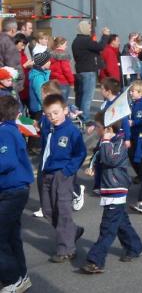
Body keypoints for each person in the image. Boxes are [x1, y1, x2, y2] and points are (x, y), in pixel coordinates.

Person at [80, 112, 142, 274]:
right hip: (108, 187)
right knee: (121, 222)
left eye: (98, 127)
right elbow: (98, 154)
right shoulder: (105, 141)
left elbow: (111, 160)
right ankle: (135, 247)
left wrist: (107, 141)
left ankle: (96, 260)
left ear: (107, 128)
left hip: (116, 188)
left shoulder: (119, 142)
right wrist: (92, 166)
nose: (96, 129)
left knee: (107, 228)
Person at [40, 94, 87, 262]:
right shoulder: (49, 128)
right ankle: (72, 231)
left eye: (56, 112)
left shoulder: (71, 131)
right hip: (48, 173)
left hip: (63, 174)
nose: (53, 117)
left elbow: (80, 152)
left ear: (65, 111)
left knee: (63, 211)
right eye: (49, 114)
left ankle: (66, 249)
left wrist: (68, 170)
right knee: (47, 210)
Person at [0, 96, 34, 292]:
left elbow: (8, 161)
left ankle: (13, 279)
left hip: (13, 190)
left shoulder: (5, 132)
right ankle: (21, 275)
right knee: (11, 236)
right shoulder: (11, 129)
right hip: (14, 189)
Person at [71, 20, 103, 122]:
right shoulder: (86, 40)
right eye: (89, 28)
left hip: (80, 70)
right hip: (88, 71)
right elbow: (100, 47)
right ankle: (85, 118)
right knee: (87, 96)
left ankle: (79, 114)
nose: (90, 29)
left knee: (80, 95)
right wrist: (105, 36)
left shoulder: (76, 40)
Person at [128, 80, 142, 180]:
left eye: (133, 91)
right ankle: (140, 174)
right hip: (133, 133)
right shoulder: (134, 103)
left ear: (141, 93)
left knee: (139, 156)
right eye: (130, 91)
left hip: (141, 134)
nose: (130, 93)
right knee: (131, 154)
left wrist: (134, 122)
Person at [0, 17, 23, 91]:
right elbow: (14, 67)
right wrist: (18, 85)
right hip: (7, 85)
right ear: (13, 30)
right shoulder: (9, 44)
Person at [49, 37, 75, 102]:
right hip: (63, 82)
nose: (66, 46)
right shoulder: (64, 55)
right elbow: (66, 70)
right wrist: (72, 81)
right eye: (65, 44)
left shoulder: (51, 54)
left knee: (54, 101)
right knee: (62, 103)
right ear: (60, 44)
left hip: (53, 81)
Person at [28, 52, 51, 118]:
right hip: (39, 109)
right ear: (43, 63)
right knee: (39, 127)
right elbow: (41, 94)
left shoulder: (42, 73)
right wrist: (47, 107)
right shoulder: (38, 77)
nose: (50, 62)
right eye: (48, 61)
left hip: (41, 107)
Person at [13, 33, 32, 111]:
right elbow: (12, 72)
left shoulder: (22, 53)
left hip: (25, 86)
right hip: (18, 88)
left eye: (24, 45)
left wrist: (29, 65)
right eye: (22, 44)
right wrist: (24, 66)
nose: (23, 47)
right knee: (19, 111)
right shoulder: (11, 55)